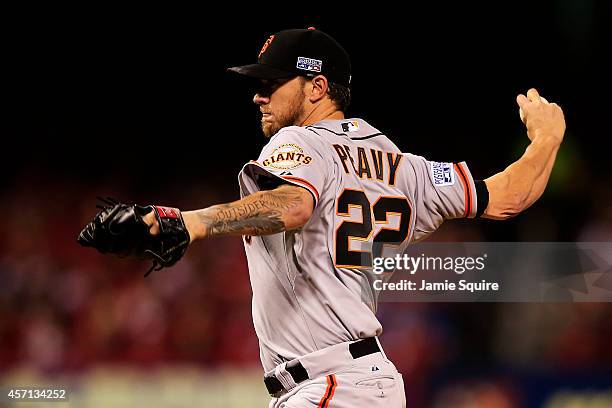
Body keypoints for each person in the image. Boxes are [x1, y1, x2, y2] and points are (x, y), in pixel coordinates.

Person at [143, 28, 565, 407]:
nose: (259, 95)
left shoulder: (300, 141)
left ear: (317, 87)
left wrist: (189, 222)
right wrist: (547, 138)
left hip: (331, 384)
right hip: (358, 383)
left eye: (272, 83)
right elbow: (506, 196)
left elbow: (292, 205)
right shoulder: (404, 167)